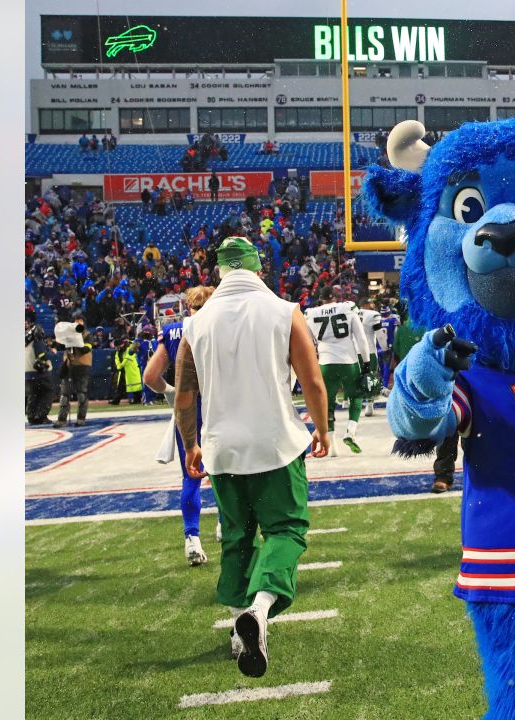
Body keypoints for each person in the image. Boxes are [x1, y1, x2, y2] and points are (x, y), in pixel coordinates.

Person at [174, 237, 331, 678]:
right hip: (275, 443)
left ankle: (238, 626)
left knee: (238, 539)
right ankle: (259, 611)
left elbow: (185, 394)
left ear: (221, 272)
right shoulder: (284, 311)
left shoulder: (196, 323)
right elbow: (312, 381)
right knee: (286, 529)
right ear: (259, 268)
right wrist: (321, 428)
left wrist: (190, 444)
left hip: (222, 449)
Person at [143, 287, 216, 567]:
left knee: (191, 475)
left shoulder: (174, 330)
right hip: (217, 407)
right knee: (226, 472)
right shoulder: (219, 325)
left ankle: (192, 538)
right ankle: (226, 526)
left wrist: (172, 391)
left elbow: (150, 375)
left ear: (188, 306)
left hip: (187, 409)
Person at [303, 297, 374, 454]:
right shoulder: (348, 309)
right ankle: (350, 432)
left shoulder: (312, 313)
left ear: (321, 300)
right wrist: (367, 364)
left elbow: (308, 342)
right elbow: (361, 339)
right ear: (335, 299)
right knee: (356, 396)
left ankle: (332, 446)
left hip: (325, 363)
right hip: (348, 361)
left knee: (327, 404)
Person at [53, 316, 92, 428]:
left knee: (81, 394)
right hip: (69, 365)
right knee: (64, 395)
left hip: (83, 366)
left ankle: (81, 419)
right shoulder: (67, 333)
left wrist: (74, 342)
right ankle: (61, 419)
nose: (78, 325)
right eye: (76, 323)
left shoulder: (88, 335)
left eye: (80, 323)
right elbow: (59, 344)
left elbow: (86, 349)